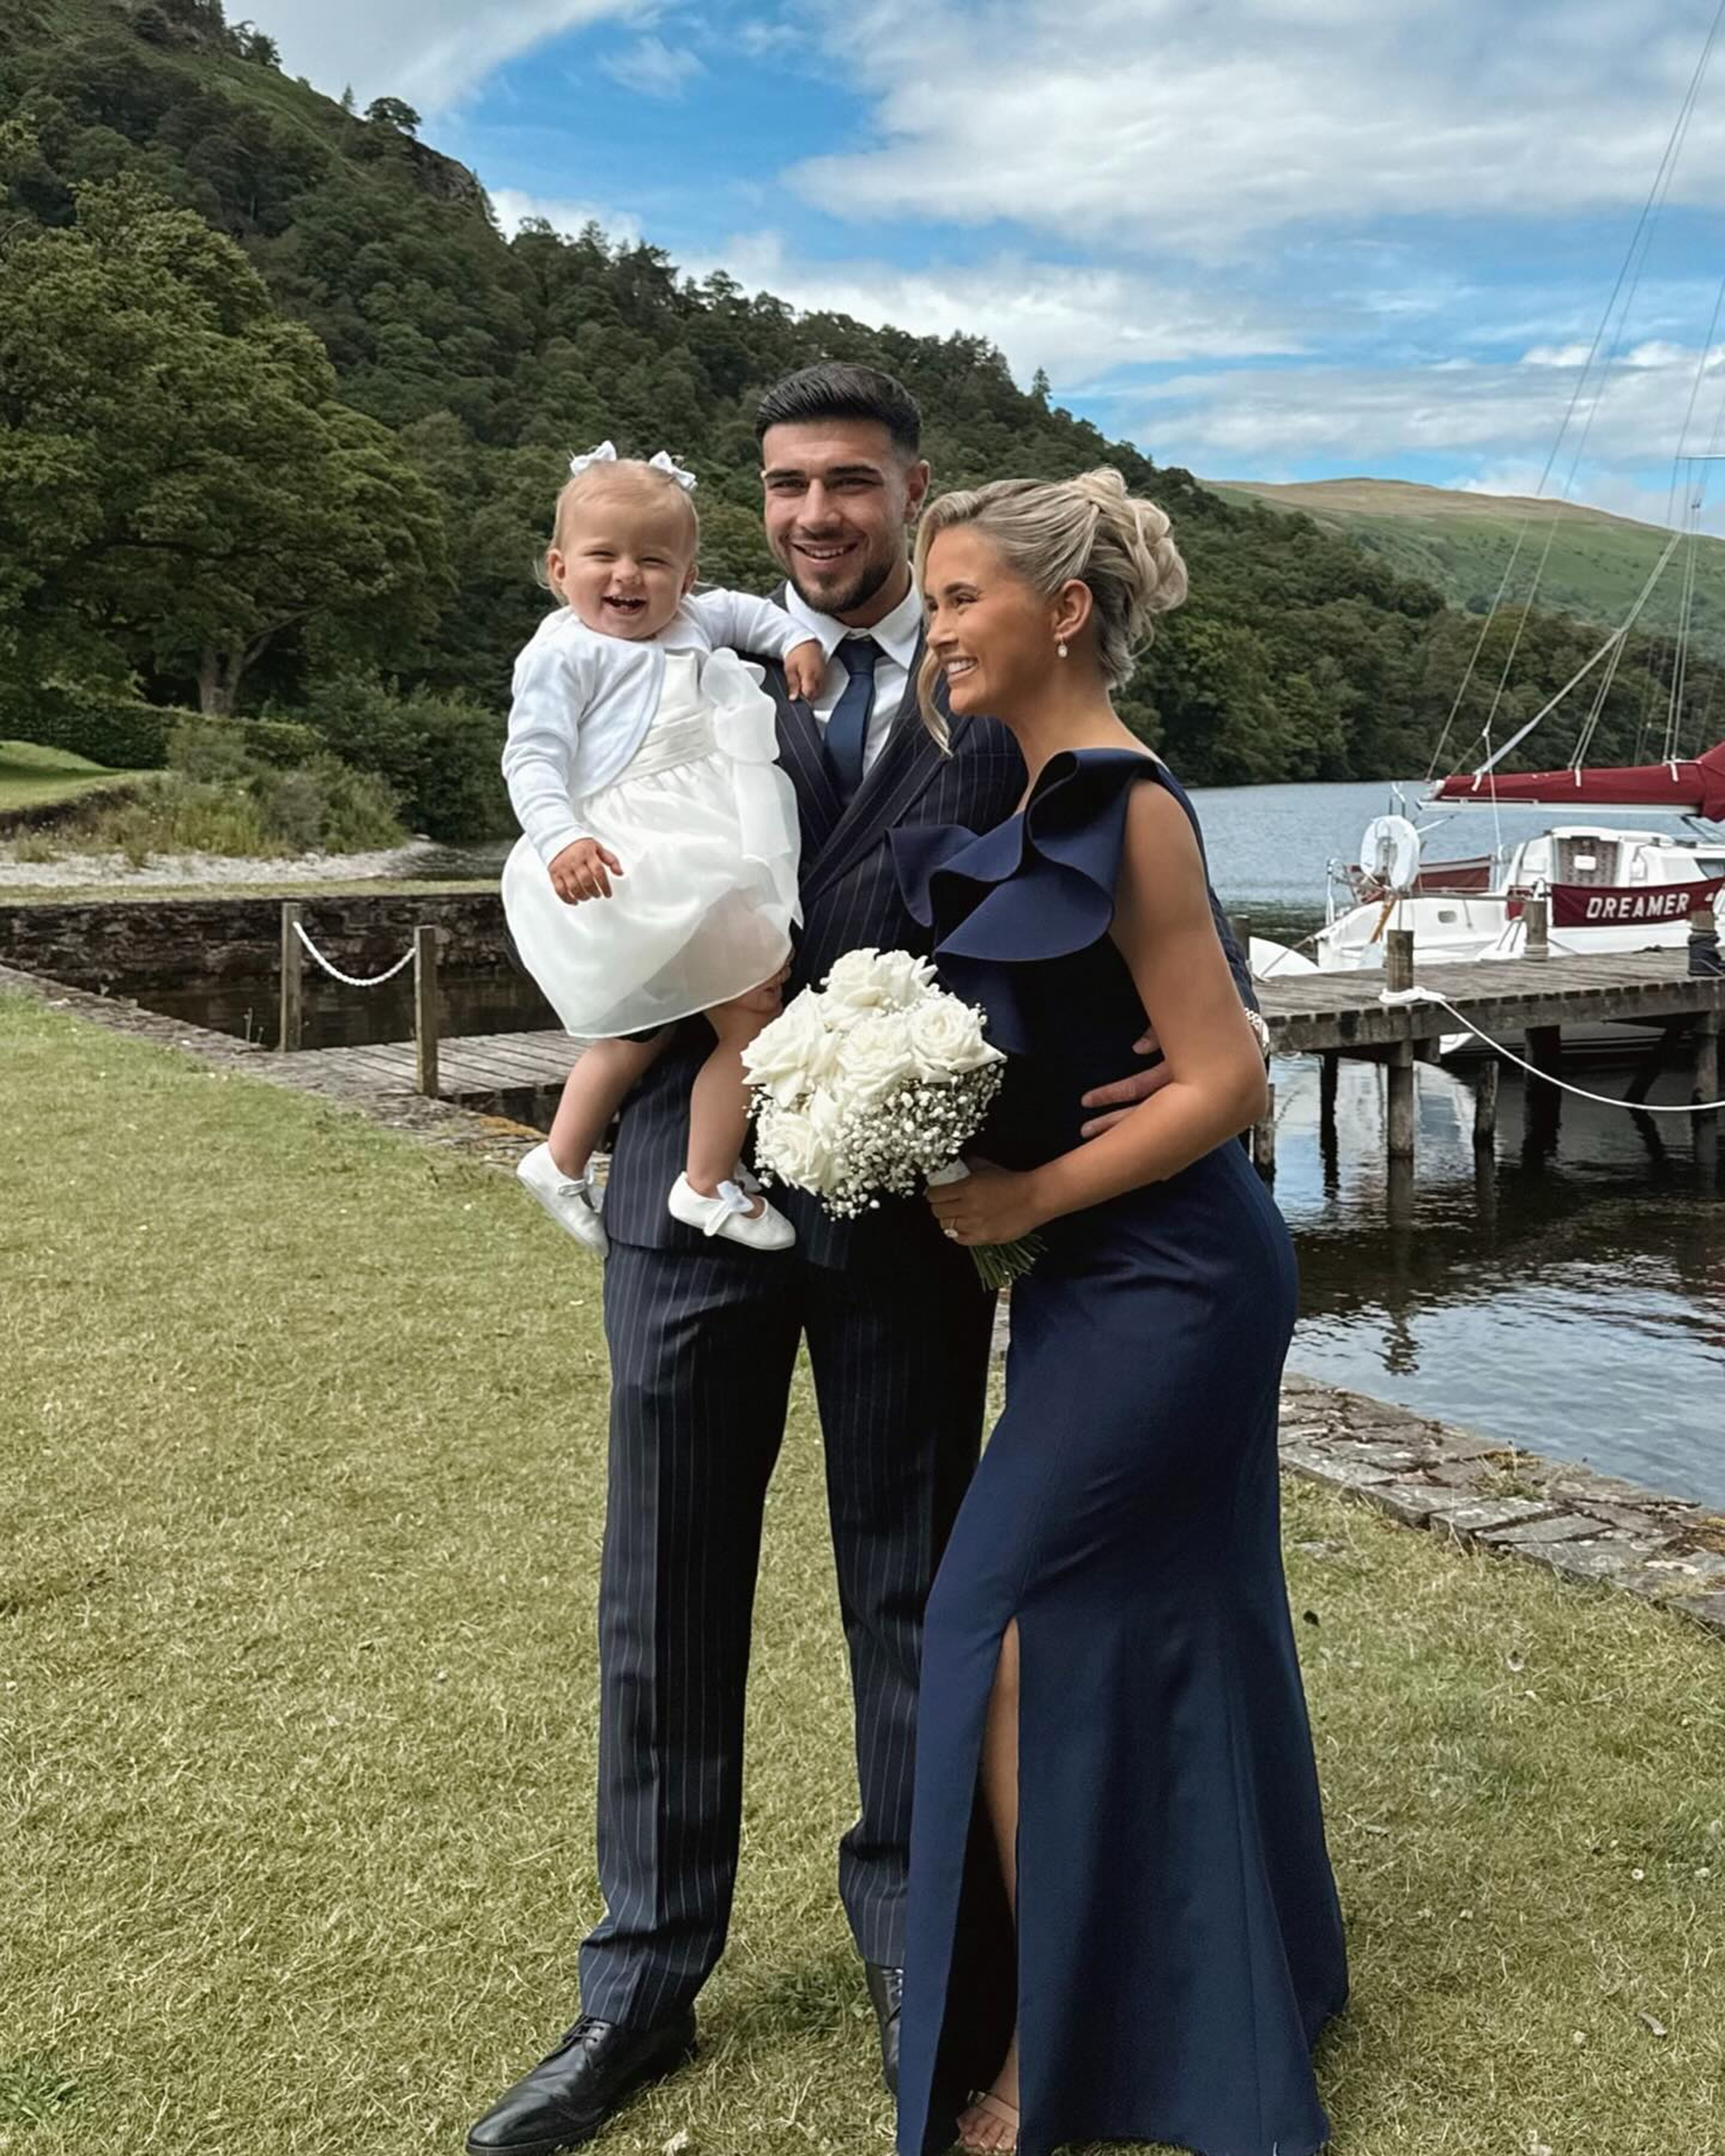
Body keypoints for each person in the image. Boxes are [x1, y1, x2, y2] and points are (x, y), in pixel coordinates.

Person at [466, 369, 1263, 2156]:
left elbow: (1139, 858)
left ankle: (922, 1954)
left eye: (847, 483)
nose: (814, 515)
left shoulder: (994, 671)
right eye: (783, 485)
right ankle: (638, 1981)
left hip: (916, 1205)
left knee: (910, 1583)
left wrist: (1207, 1028)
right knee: (662, 1586)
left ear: (911, 492)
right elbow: (558, 832)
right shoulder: (665, 642)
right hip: (698, 1172)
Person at [892, 470, 1347, 2156]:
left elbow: (1225, 1072)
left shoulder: (1121, 797)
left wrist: (1017, 1202)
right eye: (936, 601)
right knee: (1178, 1616)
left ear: (1062, 609)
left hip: (1173, 1277)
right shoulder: (1029, 784)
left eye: (959, 598)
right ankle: (1243, 1976)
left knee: (993, 1623)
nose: (938, 628)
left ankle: (1054, 2043)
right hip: (1107, 1279)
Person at [501, 442, 826, 1253]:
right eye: (602, 557)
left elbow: (751, 613)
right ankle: (703, 1179)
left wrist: (794, 640)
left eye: (654, 561)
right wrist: (561, 836)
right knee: (733, 1013)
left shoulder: (694, 618)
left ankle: (566, 1157)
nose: (627, 578)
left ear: (686, 577)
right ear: (557, 567)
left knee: (670, 1025)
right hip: (626, 859)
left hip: (704, 846)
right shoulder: (562, 653)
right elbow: (532, 758)